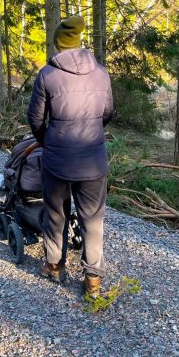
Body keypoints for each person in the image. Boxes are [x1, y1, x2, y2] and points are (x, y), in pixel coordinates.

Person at [27, 15, 114, 299]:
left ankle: (54, 266)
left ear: (57, 44)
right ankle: (93, 281)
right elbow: (107, 114)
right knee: (93, 221)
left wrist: (47, 141)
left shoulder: (47, 75)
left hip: (57, 160)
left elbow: (36, 118)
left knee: (56, 215)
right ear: (78, 43)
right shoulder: (101, 73)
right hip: (93, 161)